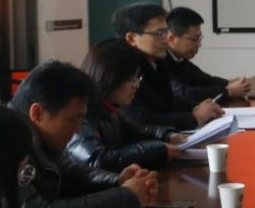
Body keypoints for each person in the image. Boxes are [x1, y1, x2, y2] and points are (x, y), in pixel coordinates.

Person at [10, 60, 158, 208]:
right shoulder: (6, 144)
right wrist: (126, 197)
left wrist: (118, 181)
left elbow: (71, 172)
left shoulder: (39, 135)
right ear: (38, 113)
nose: (78, 130)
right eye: (72, 120)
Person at [69, 39, 186, 172]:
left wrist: (167, 136)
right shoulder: (81, 114)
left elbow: (135, 131)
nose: (137, 85)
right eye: (131, 79)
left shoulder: (109, 108)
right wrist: (157, 151)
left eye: (138, 78)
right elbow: (97, 160)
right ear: (110, 77)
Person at [112, 2, 224, 129]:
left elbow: (168, 101)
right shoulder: (121, 69)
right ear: (132, 38)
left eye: (166, 32)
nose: (166, 39)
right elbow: (139, 119)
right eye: (159, 33)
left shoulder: (157, 61)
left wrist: (195, 108)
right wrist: (194, 118)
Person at [162, 6, 250, 103]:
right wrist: (229, 90)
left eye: (200, 38)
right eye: (195, 39)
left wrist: (229, 83)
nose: (199, 45)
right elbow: (184, 94)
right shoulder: (159, 62)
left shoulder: (180, 59)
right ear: (172, 39)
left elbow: (205, 80)